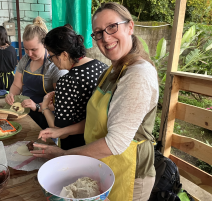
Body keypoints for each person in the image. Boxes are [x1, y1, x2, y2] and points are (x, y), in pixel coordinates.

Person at [32, 3, 159, 201]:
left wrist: (65, 155)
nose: (105, 38)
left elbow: (115, 143)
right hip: (104, 166)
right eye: (98, 33)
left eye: (112, 27)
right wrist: (60, 132)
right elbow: (97, 121)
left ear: (130, 27)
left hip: (129, 173)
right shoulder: (113, 69)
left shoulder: (138, 74)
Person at [40, 25, 108, 150]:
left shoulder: (68, 81)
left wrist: (45, 108)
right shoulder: (102, 67)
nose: (51, 61)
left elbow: (61, 132)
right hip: (100, 142)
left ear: (64, 55)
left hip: (77, 146)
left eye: (51, 57)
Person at [5, 16, 67, 129]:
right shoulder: (25, 60)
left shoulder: (54, 66)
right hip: (25, 112)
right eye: (26, 49)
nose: (29, 53)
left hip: (46, 115)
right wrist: (11, 95)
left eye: (33, 50)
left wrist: (37, 106)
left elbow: (58, 101)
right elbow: (16, 84)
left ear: (45, 44)